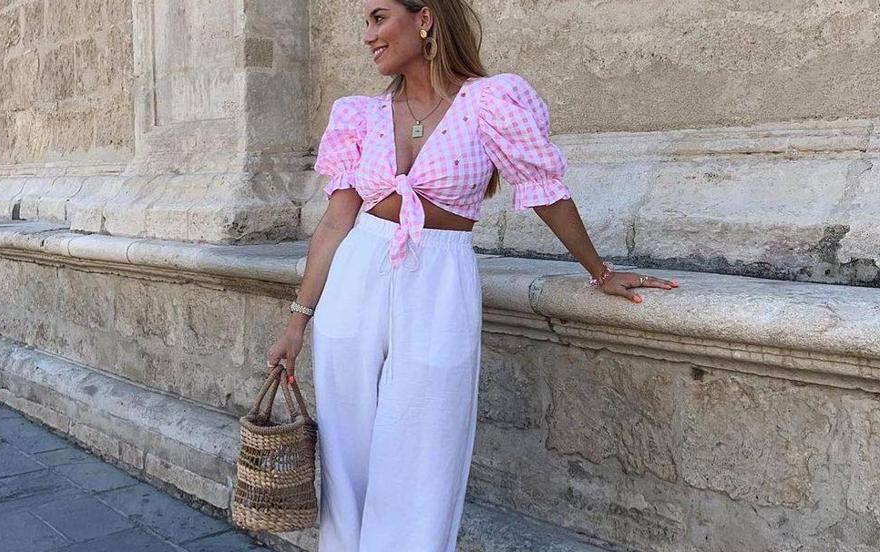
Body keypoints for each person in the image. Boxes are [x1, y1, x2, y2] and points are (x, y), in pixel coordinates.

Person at [266, 1, 679, 550]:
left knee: (425, 448)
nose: (368, 36)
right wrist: (297, 322)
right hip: (356, 275)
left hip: (439, 278)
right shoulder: (358, 115)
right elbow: (336, 222)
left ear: (424, 19)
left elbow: (544, 191)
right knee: (346, 455)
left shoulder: (490, 101)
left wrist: (599, 272)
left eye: (379, 17)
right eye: (366, 22)